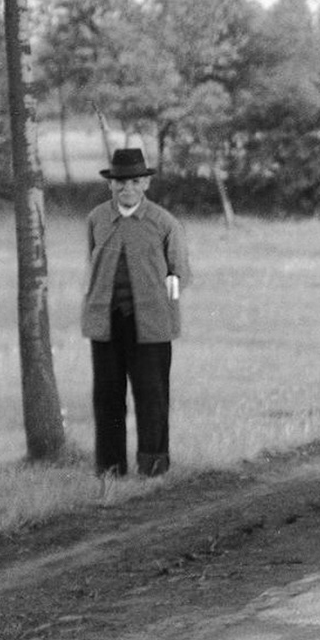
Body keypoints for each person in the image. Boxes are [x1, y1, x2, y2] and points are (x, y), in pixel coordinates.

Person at [81, 146, 194, 475]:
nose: (126, 188)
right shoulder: (97, 219)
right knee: (107, 397)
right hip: (106, 321)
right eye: (120, 182)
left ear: (145, 184)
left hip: (151, 324)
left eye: (133, 182)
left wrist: (165, 298)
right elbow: (93, 263)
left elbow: (180, 273)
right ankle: (110, 467)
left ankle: (154, 464)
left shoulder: (164, 223)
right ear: (110, 186)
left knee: (152, 394)